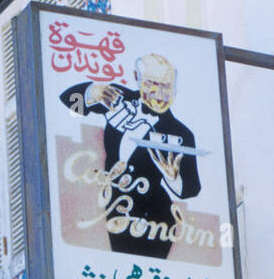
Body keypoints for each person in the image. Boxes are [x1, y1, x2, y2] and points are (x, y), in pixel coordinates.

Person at [61, 53, 201, 260]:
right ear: (137, 78)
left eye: (166, 86)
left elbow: (191, 189)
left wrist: (172, 177)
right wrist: (94, 91)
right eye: (153, 84)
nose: (160, 94)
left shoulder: (180, 132)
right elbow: (69, 102)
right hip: (113, 207)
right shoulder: (120, 99)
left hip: (154, 218)